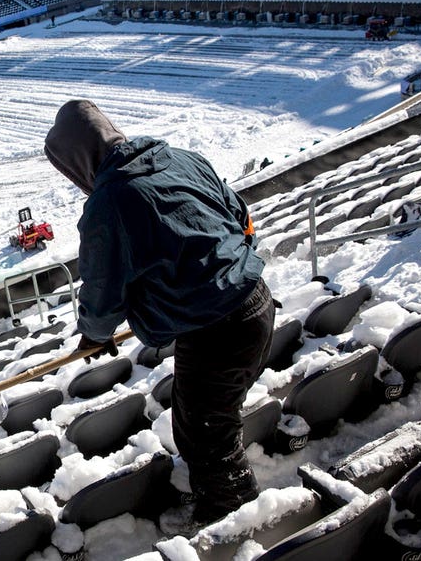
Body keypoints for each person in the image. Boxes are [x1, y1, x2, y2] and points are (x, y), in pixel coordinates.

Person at [43, 99, 273, 525]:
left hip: (215, 331)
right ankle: (221, 501)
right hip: (256, 302)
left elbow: (101, 292)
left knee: (207, 437)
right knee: (199, 420)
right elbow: (241, 218)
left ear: (75, 162)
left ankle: (237, 525)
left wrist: (94, 334)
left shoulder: (108, 204)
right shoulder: (182, 158)